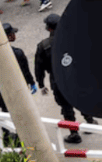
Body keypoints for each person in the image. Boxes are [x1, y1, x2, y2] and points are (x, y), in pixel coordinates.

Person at [35, 14, 96, 144]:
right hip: (75, 77)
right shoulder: (73, 39)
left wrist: (41, 84)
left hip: (57, 79)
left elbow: (39, 67)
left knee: (66, 107)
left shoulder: (43, 46)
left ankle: (74, 134)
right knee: (80, 99)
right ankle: (90, 121)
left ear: (48, 28)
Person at [0, 22, 37, 145]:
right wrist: (31, 83)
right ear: (9, 36)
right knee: (17, 113)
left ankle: (6, 137)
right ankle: (18, 138)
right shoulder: (17, 53)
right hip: (14, 91)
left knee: (4, 113)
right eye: (12, 34)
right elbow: (25, 72)